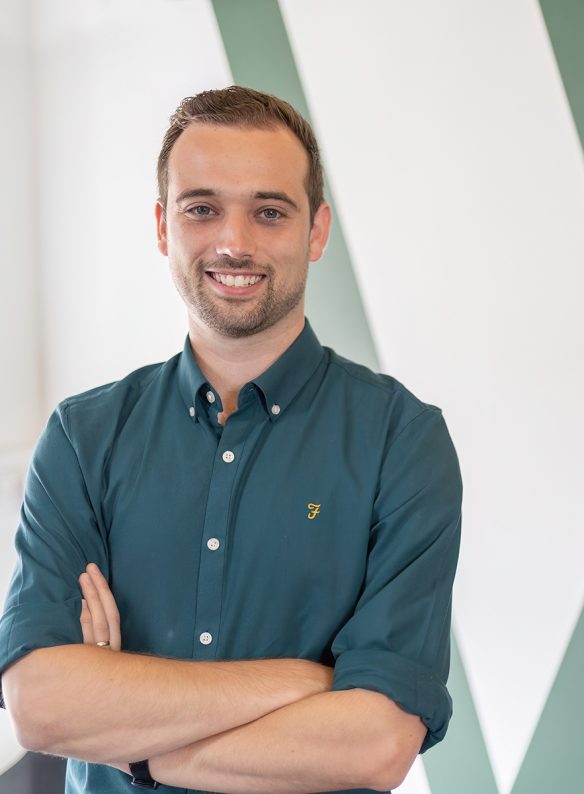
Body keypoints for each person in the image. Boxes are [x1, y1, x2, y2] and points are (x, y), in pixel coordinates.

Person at [0, 85, 462, 793]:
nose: (234, 243)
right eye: (202, 208)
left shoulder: (400, 442)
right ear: (163, 226)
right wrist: (305, 684)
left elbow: (375, 743)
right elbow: (42, 706)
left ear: (316, 230)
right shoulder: (81, 437)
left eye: (269, 212)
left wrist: (133, 738)